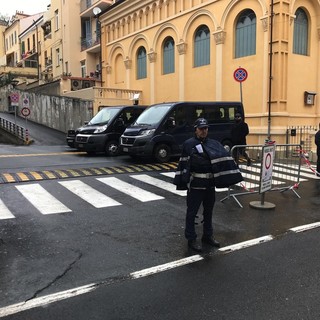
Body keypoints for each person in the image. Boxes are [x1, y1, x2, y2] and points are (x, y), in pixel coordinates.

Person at [173, 118, 243, 252]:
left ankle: (207, 235)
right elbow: (183, 164)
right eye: (201, 129)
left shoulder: (214, 143)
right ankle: (191, 239)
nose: (204, 131)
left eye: (205, 128)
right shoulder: (189, 144)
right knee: (192, 213)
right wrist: (183, 181)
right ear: (196, 129)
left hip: (210, 185)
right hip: (195, 186)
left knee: (209, 212)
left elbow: (224, 160)